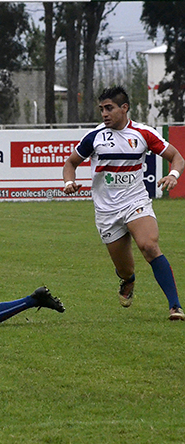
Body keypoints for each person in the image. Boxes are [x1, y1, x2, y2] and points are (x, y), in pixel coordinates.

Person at [63, 85, 185, 321]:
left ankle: (175, 307)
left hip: (135, 201)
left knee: (149, 246)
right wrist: (69, 182)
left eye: (109, 108)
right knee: (125, 269)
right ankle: (128, 281)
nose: (104, 114)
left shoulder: (143, 134)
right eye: (101, 109)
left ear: (124, 108)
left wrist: (174, 175)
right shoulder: (95, 137)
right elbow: (70, 163)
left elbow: (177, 158)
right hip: (106, 211)